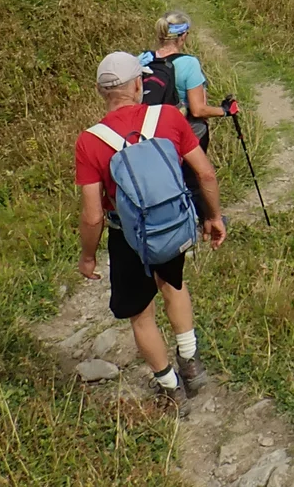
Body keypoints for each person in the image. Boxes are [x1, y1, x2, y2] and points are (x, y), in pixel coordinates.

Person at [75, 51, 226, 412]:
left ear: (101, 91)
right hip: (172, 224)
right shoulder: (169, 117)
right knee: (174, 286)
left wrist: (88, 255)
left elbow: (93, 215)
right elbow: (205, 174)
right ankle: (191, 363)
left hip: (127, 236)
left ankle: (170, 386)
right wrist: (214, 216)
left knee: (141, 314)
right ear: (139, 84)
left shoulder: (90, 141)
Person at [140, 12, 228, 221]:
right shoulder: (189, 64)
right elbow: (198, 110)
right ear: (183, 36)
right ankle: (207, 219)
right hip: (187, 131)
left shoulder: (143, 59)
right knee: (196, 177)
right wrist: (224, 111)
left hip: (149, 129)